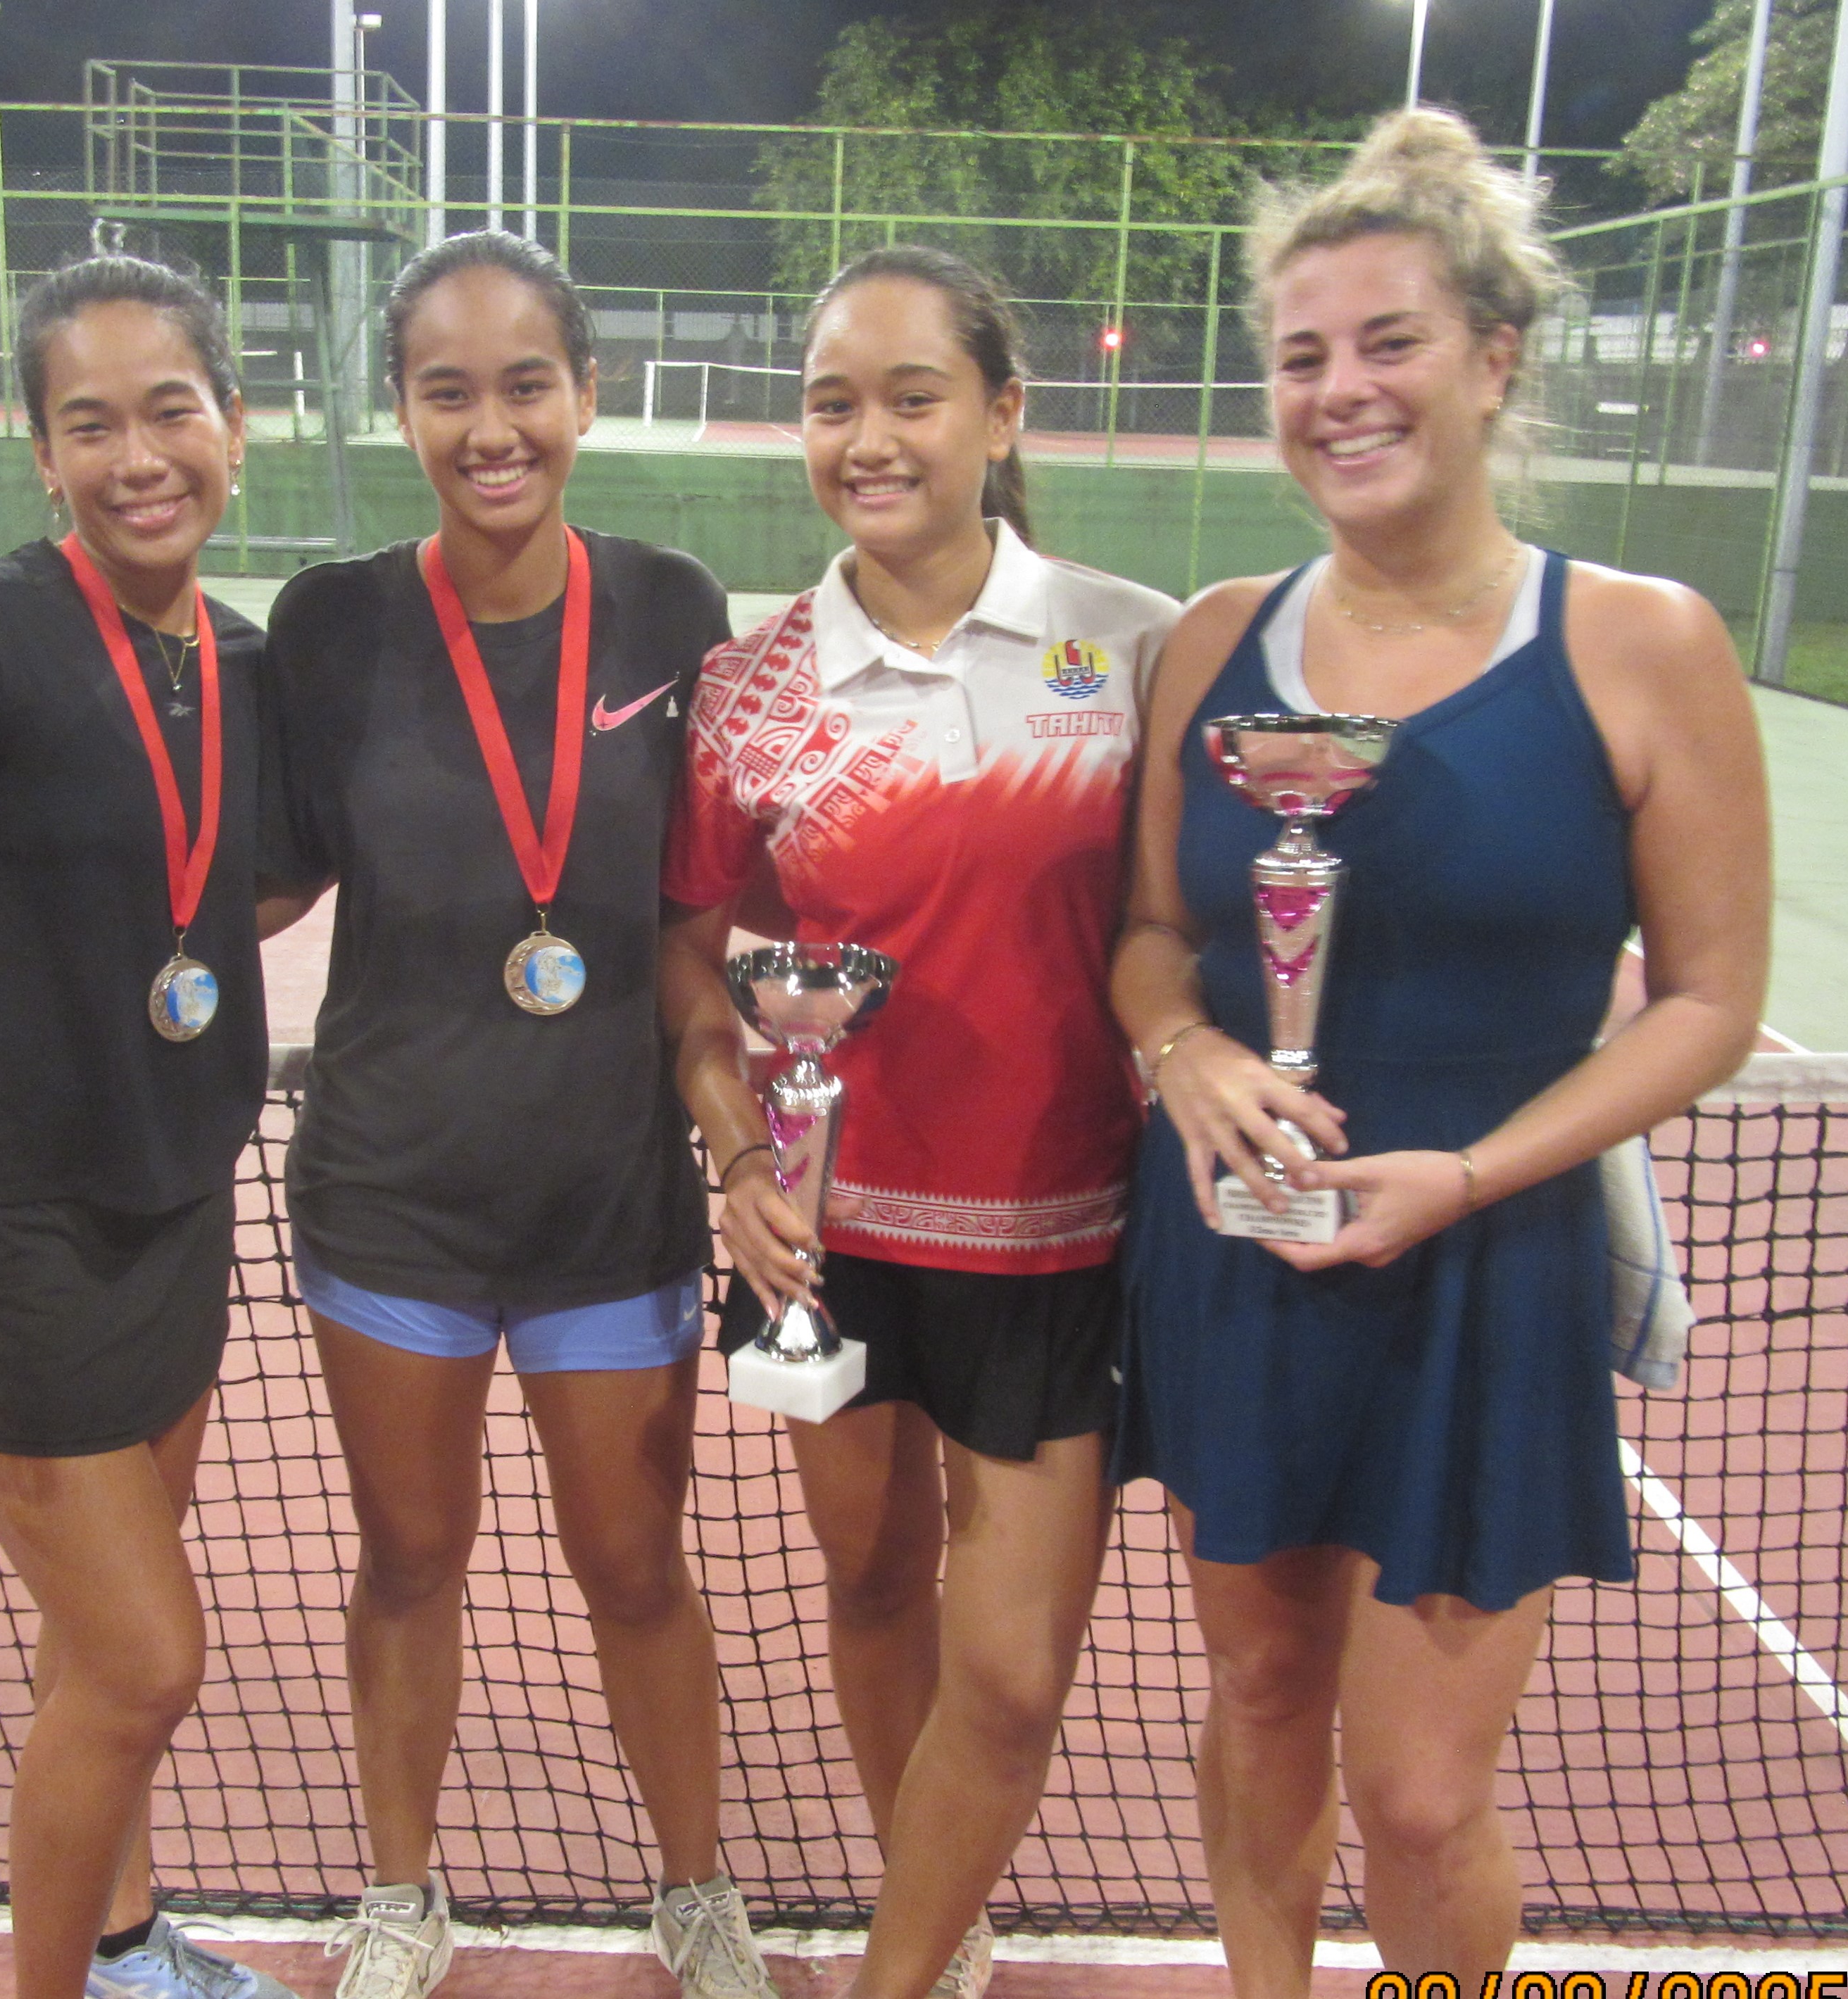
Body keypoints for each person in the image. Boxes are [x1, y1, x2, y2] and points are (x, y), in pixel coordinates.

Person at [1111, 110, 1772, 1992]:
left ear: (1495, 359)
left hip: (1488, 1268)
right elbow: (1150, 938)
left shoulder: (1642, 645)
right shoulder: (1212, 643)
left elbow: (1710, 1000)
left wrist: (1470, 1173)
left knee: (1413, 1793)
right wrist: (1180, 1059)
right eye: (1301, 355)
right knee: (1253, 1698)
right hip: (1239, 1254)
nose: (1339, 392)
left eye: (1387, 341)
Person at [253, 231, 776, 1999]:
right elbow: (254, 877)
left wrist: (736, 1123)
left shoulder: (673, 604)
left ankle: (695, 1886)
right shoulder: (329, 620)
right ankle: (404, 1889)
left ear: (588, 394)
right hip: (389, 1190)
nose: (492, 426)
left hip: (608, 1193)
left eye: (525, 383)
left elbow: (702, 912)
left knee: (637, 1564)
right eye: (447, 388)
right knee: (408, 1557)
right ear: (398, 405)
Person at [661, 244, 1182, 1999]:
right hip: (828, 1236)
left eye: (911, 395)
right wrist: (739, 1157)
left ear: (1001, 410)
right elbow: (689, 957)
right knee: (874, 1586)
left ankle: (890, 1965)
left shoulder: (1129, 649)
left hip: (1059, 1234)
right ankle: (931, 1922)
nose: (866, 437)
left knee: (1018, 1667)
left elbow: (1180, 936)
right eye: (831, 402)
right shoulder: (752, 689)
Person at [0, 253, 291, 1999]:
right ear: (40, 455)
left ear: (234, 426)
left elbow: (247, 876)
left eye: (170, 408)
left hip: (170, 1207)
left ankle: (129, 1942)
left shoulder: (237, 661)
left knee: (91, 1645)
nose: (137, 452)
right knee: (148, 1655)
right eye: (89, 422)